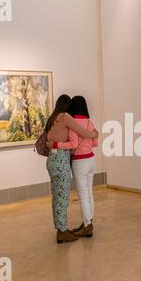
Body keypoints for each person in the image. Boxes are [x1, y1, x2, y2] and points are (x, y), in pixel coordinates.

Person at [45, 94, 98, 244]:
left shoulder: (54, 118)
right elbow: (95, 143)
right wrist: (94, 134)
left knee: (65, 196)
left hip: (72, 161)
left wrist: (56, 145)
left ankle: (83, 225)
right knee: (88, 193)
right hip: (91, 159)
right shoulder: (89, 122)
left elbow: (73, 144)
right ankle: (85, 223)